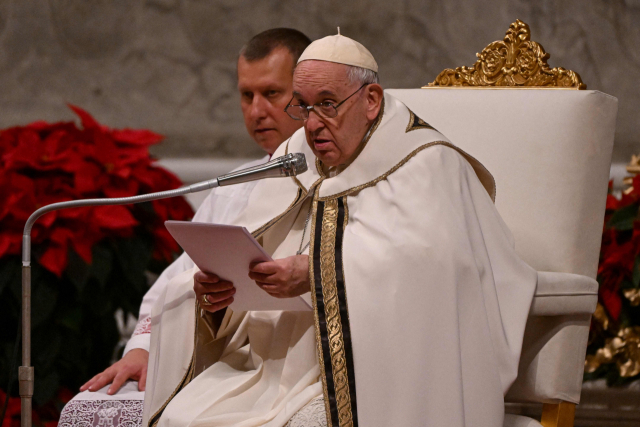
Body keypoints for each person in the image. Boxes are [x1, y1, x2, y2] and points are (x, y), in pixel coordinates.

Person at [142, 32, 538, 427]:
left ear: (371, 100)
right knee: (181, 417)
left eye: (328, 104)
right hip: (276, 368)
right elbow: (255, 255)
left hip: (377, 373)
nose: (312, 125)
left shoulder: (426, 162)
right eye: (303, 106)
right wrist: (219, 295)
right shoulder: (295, 156)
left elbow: (439, 270)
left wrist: (314, 272)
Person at [79, 28, 311, 396]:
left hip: (304, 362)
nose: (256, 111)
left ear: (306, 96)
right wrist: (143, 347)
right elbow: (181, 276)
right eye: (246, 95)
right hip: (227, 359)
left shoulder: (340, 181)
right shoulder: (235, 186)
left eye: (271, 94)